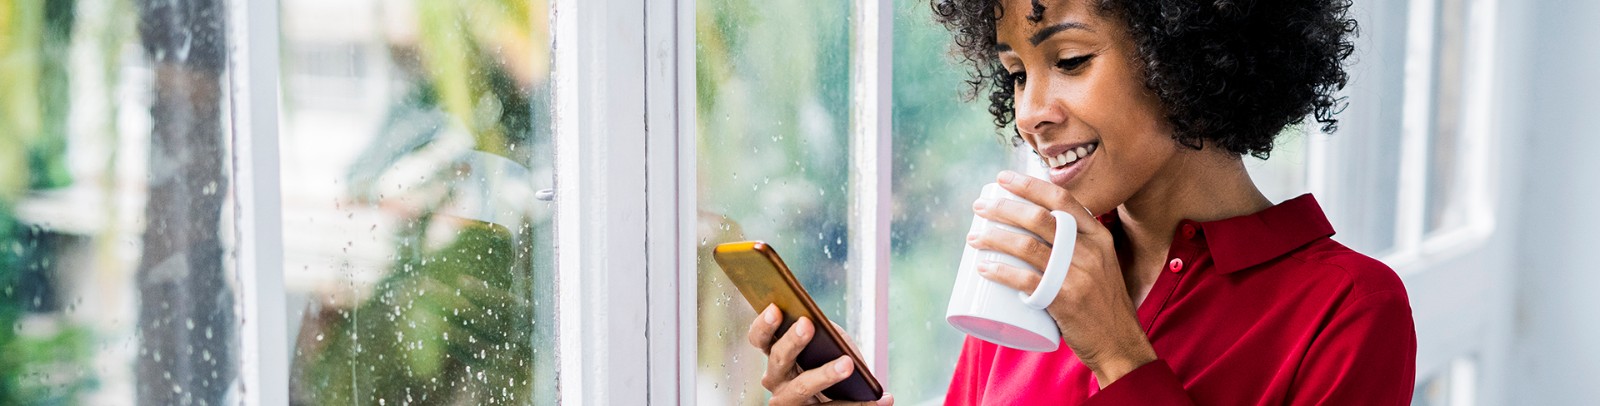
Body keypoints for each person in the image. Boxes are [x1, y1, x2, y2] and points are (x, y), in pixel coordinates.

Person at [745, 0, 1416, 404]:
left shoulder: (1349, 312)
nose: (1030, 113)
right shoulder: (1030, 265)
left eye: (1068, 60)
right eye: (1015, 73)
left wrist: (1119, 355)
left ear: (1185, 53)